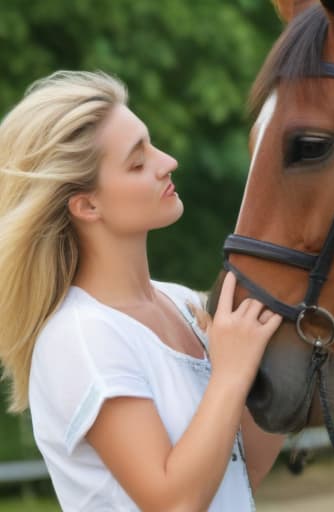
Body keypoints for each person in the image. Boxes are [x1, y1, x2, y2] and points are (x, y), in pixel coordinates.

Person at [0, 70, 284, 511]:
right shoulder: (81, 338)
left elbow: (239, 473)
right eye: (138, 161)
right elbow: (174, 503)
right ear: (86, 205)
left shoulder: (186, 304)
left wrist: (285, 362)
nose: (167, 161)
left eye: (151, 144)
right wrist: (229, 375)